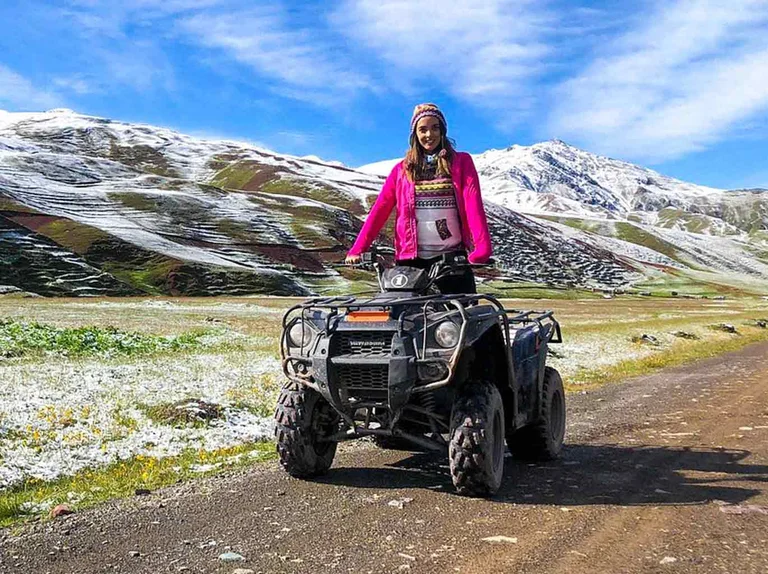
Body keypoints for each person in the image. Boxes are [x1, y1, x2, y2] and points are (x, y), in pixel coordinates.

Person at [345, 103, 492, 294]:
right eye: (423, 129)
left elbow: (473, 204)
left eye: (435, 128)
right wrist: (357, 249)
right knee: (407, 319)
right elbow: (379, 211)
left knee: (459, 319)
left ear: (443, 131)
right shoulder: (401, 170)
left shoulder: (461, 162)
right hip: (410, 262)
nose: (429, 134)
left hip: (452, 260)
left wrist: (483, 248)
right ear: (415, 134)